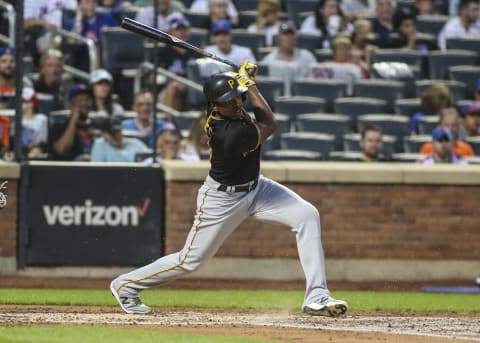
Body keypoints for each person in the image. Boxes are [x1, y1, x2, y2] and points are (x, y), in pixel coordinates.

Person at [110, 61, 348, 317]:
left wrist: (242, 83)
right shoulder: (227, 133)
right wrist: (251, 85)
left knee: (307, 214)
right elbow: (269, 122)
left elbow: (244, 100)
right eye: (229, 100)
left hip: (257, 188)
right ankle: (125, 285)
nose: (236, 104)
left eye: (237, 97)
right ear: (214, 106)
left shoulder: (231, 111)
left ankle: (317, 295)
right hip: (222, 199)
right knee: (190, 261)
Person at [261, 21, 317, 95]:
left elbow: (316, 81)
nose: (289, 38)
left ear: (296, 37)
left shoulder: (307, 57)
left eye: (291, 34)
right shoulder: (268, 60)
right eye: (285, 34)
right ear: (278, 37)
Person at [156, 12, 196, 111]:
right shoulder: (163, 52)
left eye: (184, 29)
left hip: (193, 90)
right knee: (173, 87)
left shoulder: (195, 52)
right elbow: (153, 77)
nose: (182, 32)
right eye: (178, 29)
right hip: (166, 91)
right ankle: (170, 124)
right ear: (170, 32)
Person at [49, 84, 94, 161]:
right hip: (69, 171)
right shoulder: (58, 127)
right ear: (71, 104)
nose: (84, 103)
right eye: (79, 100)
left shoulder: (96, 126)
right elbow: (61, 150)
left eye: (87, 100)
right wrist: (74, 119)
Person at [20, 88, 49, 159]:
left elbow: (44, 140)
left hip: (39, 151)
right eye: (24, 102)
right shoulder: (16, 120)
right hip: (21, 151)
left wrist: (38, 149)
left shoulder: (42, 118)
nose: (26, 105)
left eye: (29, 102)